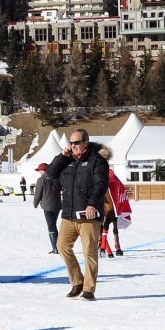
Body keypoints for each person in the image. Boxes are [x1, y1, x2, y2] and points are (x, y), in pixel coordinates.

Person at [45, 128, 108, 300]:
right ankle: (77, 281)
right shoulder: (67, 160)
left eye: (77, 142)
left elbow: (101, 184)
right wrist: (62, 157)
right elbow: (50, 174)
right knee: (62, 247)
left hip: (88, 215)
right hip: (68, 214)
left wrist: (92, 205)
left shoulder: (97, 159)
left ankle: (89, 289)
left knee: (89, 252)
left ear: (86, 142)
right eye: (71, 143)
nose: (73, 146)